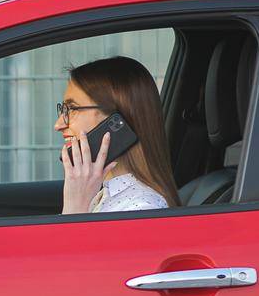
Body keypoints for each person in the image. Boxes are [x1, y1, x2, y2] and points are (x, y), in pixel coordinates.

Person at [54, 55, 181, 214]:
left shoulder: (141, 208)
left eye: (71, 109)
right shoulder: (106, 193)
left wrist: (75, 209)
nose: (58, 125)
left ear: (115, 121)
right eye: (63, 109)